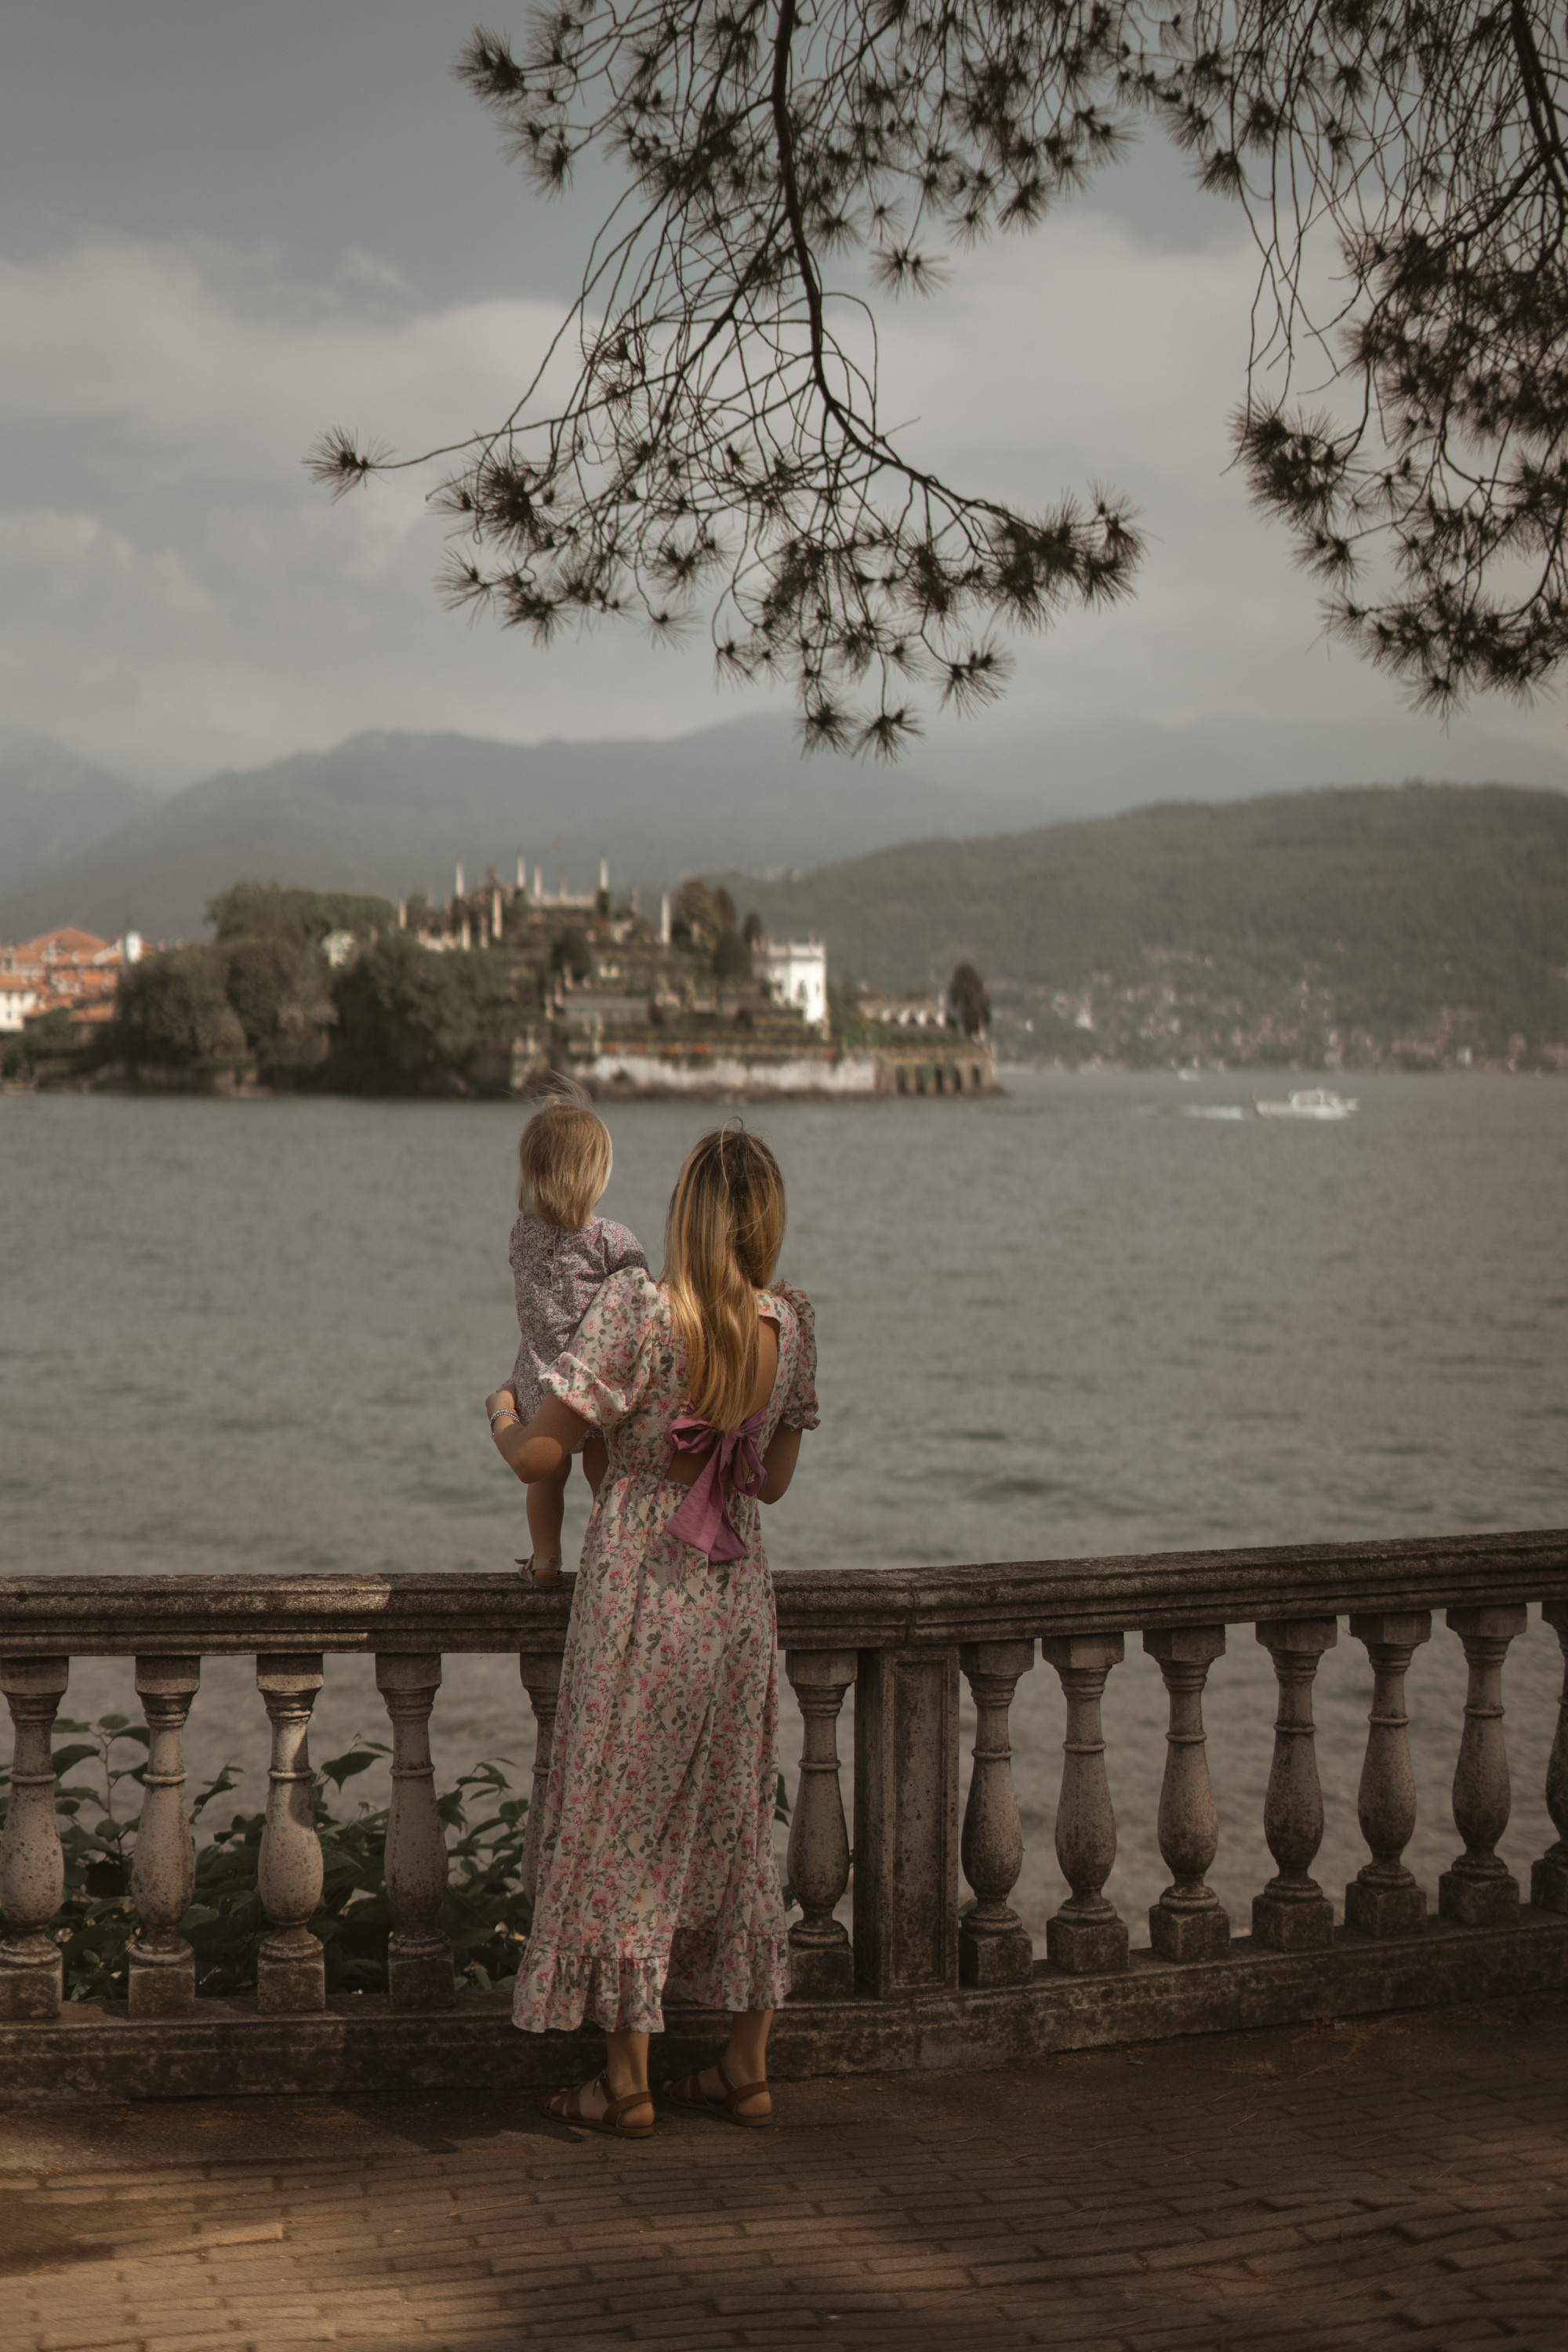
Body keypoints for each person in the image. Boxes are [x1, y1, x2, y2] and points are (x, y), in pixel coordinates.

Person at [484, 1123, 817, 2138]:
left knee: (623, 1820)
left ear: (685, 1213)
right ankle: (745, 2067)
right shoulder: (789, 1325)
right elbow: (778, 1479)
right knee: (731, 1810)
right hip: (734, 1588)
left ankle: (625, 2083)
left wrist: (502, 1413)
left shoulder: (638, 1311)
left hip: (641, 1576)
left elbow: (545, 1454)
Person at [495, 1090, 648, 1588]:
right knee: (606, 1476)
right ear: (595, 1174)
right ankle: (615, 1560)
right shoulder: (614, 1241)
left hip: (539, 1382)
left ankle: (544, 1561)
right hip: (595, 1384)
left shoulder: (522, 1233)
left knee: (546, 1475)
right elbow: (640, 1308)